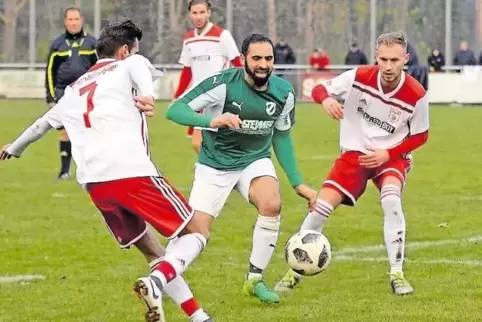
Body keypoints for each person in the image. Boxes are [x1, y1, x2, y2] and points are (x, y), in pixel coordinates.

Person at [1, 19, 226, 322]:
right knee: (198, 231)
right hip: (130, 172)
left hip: (96, 184)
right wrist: (147, 95)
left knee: (153, 251)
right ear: (124, 50)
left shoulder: (74, 89)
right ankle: (157, 282)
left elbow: (42, 125)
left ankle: (198, 317)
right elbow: (140, 69)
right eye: (135, 49)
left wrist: (13, 148)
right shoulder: (130, 62)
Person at [163, 33, 317, 304]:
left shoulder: (284, 92)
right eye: (256, 58)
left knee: (271, 203)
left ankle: (254, 279)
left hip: (254, 159)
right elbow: (175, 110)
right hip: (214, 165)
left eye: (268, 58)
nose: (263, 64)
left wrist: (297, 183)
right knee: (197, 232)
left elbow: (281, 136)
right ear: (243, 59)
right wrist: (213, 120)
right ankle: (163, 275)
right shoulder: (222, 84)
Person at [275, 31, 429, 296]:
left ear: (406, 58)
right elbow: (321, 88)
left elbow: (421, 135)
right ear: (376, 57)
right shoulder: (359, 76)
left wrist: (388, 153)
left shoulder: (416, 93)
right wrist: (325, 99)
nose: (388, 66)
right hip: (354, 154)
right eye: (383, 59)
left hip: (391, 155)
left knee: (391, 200)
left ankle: (397, 273)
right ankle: (294, 271)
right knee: (320, 208)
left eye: (394, 60)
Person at [174, 0, 243, 153]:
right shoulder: (189, 38)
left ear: (209, 13)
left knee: (203, 142)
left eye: (202, 12)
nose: (198, 17)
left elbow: (238, 64)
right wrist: (178, 95)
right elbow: (187, 70)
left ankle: (214, 168)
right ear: (189, 15)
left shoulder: (222, 35)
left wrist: (244, 91)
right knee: (199, 143)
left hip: (220, 97)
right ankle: (214, 168)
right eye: (195, 13)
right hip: (200, 97)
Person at [45, 7, 97, 180]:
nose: (73, 23)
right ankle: (64, 171)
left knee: (88, 131)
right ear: (65, 22)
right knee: (65, 131)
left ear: (81, 20)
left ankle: (88, 169)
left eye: (76, 19)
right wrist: (51, 97)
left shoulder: (92, 43)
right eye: (70, 19)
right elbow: (50, 72)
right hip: (63, 93)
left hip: (85, 94)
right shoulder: (57, 44)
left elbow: (99, 70)